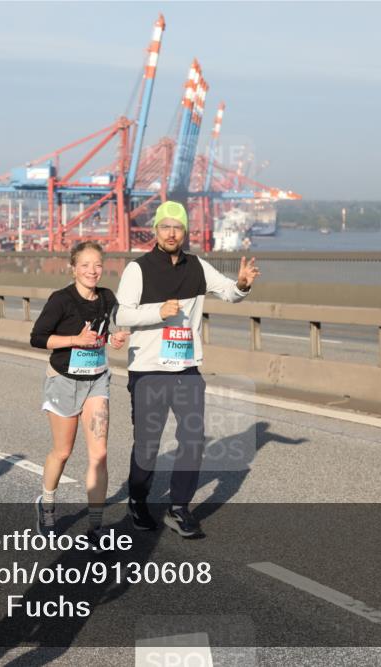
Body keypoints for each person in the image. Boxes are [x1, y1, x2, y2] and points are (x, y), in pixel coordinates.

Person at [115, 201, 260, 538]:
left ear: (184, 232)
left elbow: (228, 293)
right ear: (155, 231)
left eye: (176, 227)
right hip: (148, 369)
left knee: (192, 439)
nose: (170, 232)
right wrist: (157, 313)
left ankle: (179, 507)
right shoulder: (138, 270)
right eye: (164, 226)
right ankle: (138, 500)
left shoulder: (197, 267)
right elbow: (122, 315)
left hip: (186, 368)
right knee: (147, 444)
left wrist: (242, 284)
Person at [29, 241, 128, 547]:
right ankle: (46, 505)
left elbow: (106, 330)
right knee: (63, 451)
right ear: (73, 268)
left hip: (96, 380)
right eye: (85, 265)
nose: (92, 271)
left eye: (97, 264)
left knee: (98, 454)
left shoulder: (107, 297)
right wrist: (75, 340)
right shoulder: (61, 300)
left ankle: (96, 528)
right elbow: (37, 338)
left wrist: (114, 338)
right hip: (63, 381)